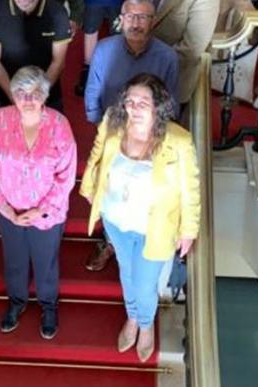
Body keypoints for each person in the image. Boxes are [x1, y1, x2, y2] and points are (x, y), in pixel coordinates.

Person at [80, 74, 200, 363]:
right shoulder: (113, 123)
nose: (134, 107)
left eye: (143, 102)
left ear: (158, 106)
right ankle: (132, 317)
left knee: (145, 283)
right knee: (126, 271)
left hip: (154, 229)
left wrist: (189, 229)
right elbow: (97, 155)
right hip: (116, 221)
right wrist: (88, 186)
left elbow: (190, 189)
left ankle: (145, 326)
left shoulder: (179, 140)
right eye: (130, 101)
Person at [0, 66, 76, 340]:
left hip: (47, 213)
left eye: (35, 93)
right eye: (21, 93)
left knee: (46, 262)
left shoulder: (59, 125)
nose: (28, 100)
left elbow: (66, 176)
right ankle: (17, 301)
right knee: (14, 260)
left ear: (44, 95)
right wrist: (5, 208)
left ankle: (48, 306)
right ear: (13, 95)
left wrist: (40, 210)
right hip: (9, 211)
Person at [83, 0, 178, 124]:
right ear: (121, 20)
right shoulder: (103, 49)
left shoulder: (168, 57)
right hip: (110, 125)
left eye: (142, 17)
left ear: (153, 22)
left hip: (150, 130)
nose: (135, 24)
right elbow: (92, 92)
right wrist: (99, 124)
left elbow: (171, 105)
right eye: (129, 17)